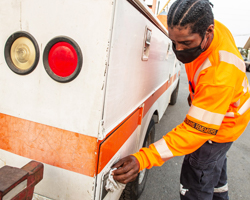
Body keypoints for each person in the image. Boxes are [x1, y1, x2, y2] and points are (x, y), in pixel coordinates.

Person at [112, 0, 250, 199]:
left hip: (220, 128)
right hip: (232, 118)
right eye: (174, 42)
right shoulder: (206, 27)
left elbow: (195, 131)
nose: (179, 50)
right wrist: (196, 95)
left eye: (186, 43)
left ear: (208, 32)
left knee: (196, 183)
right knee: (215, 176)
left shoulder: (220, 76)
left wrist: (143, 158)